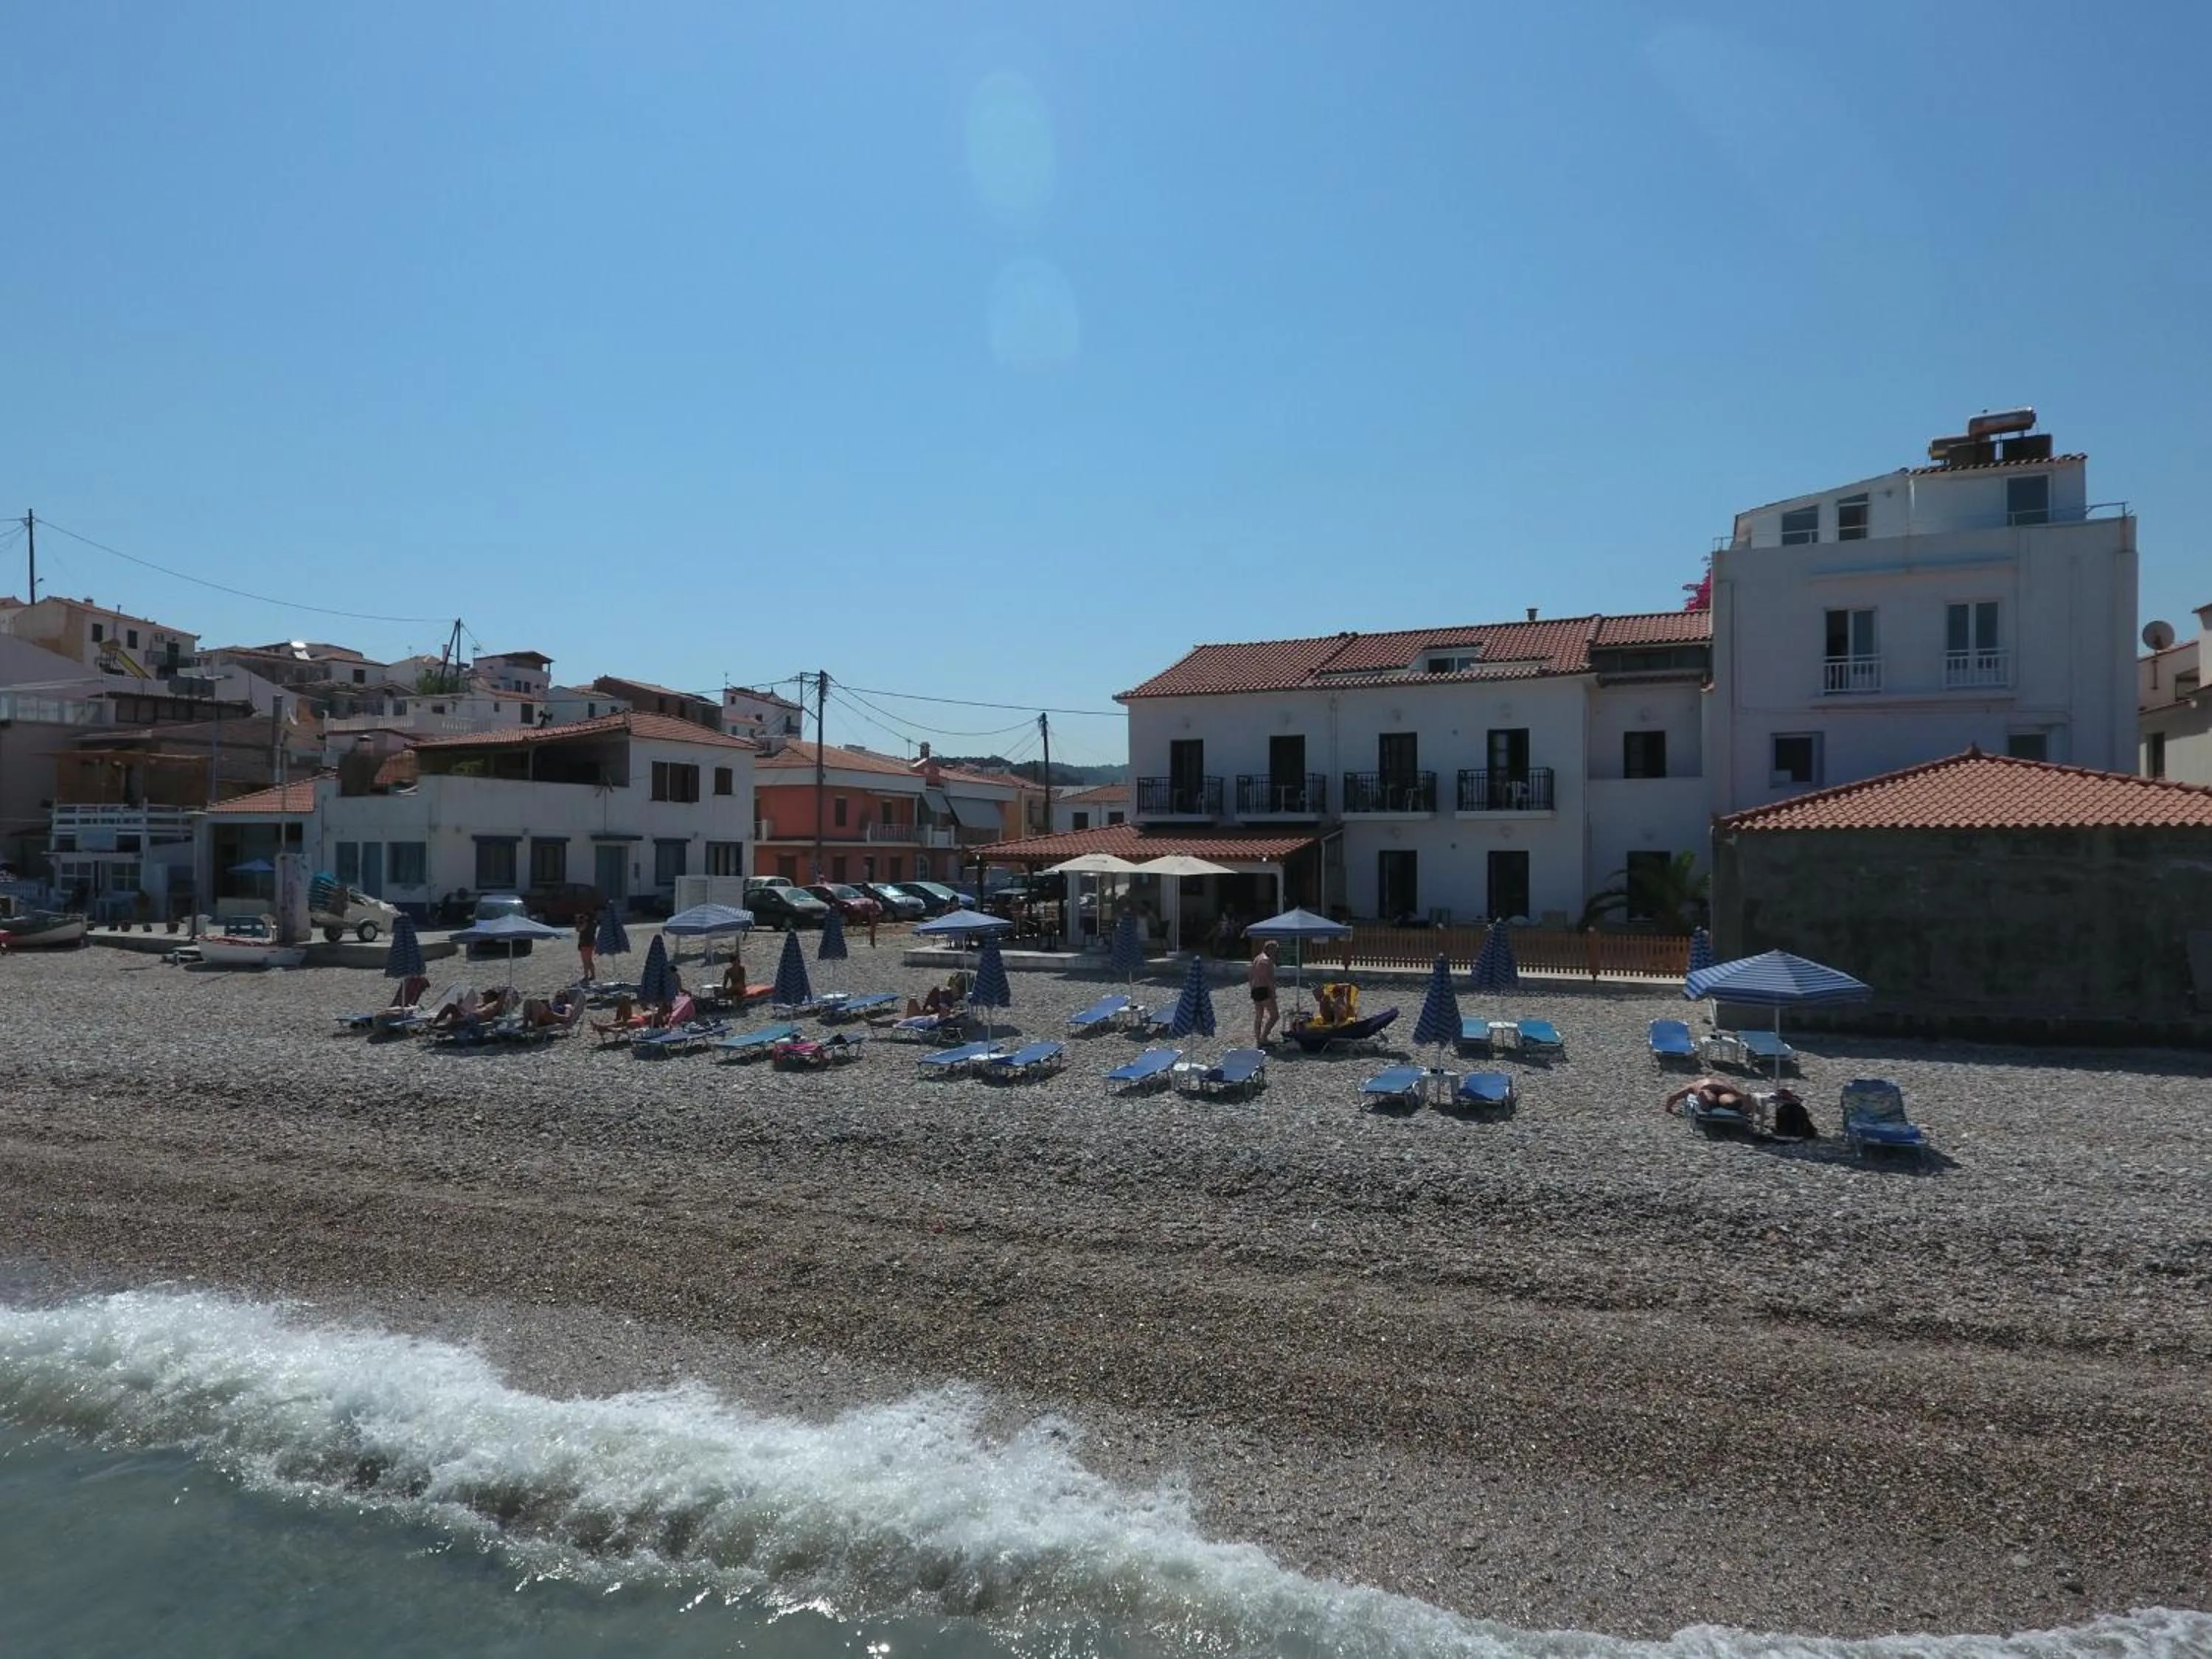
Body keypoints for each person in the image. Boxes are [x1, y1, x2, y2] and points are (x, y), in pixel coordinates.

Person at [1248, 940, 1280, 1046]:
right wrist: (1273, 992)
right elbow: (1267, 978)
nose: (1275, 952)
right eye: (1275, 950)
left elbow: (1250, 975)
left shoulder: (1257, 958)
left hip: (1255, 989)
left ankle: (1258, 1039)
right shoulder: (1266, 961)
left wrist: (1252, 987)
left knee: (1259, 1016)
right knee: (1275, 1015)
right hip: (1264, 990)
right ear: (1269, 949)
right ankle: (1264, 1037)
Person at [576, 908, 597, 982]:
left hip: (586, 944)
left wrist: (578, 921)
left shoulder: (586, 923)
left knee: (585, 961)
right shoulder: (594, 923)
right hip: (591, 943)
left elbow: (579, 929)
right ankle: (593, 975)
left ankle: (586, 976)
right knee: (589, 960)